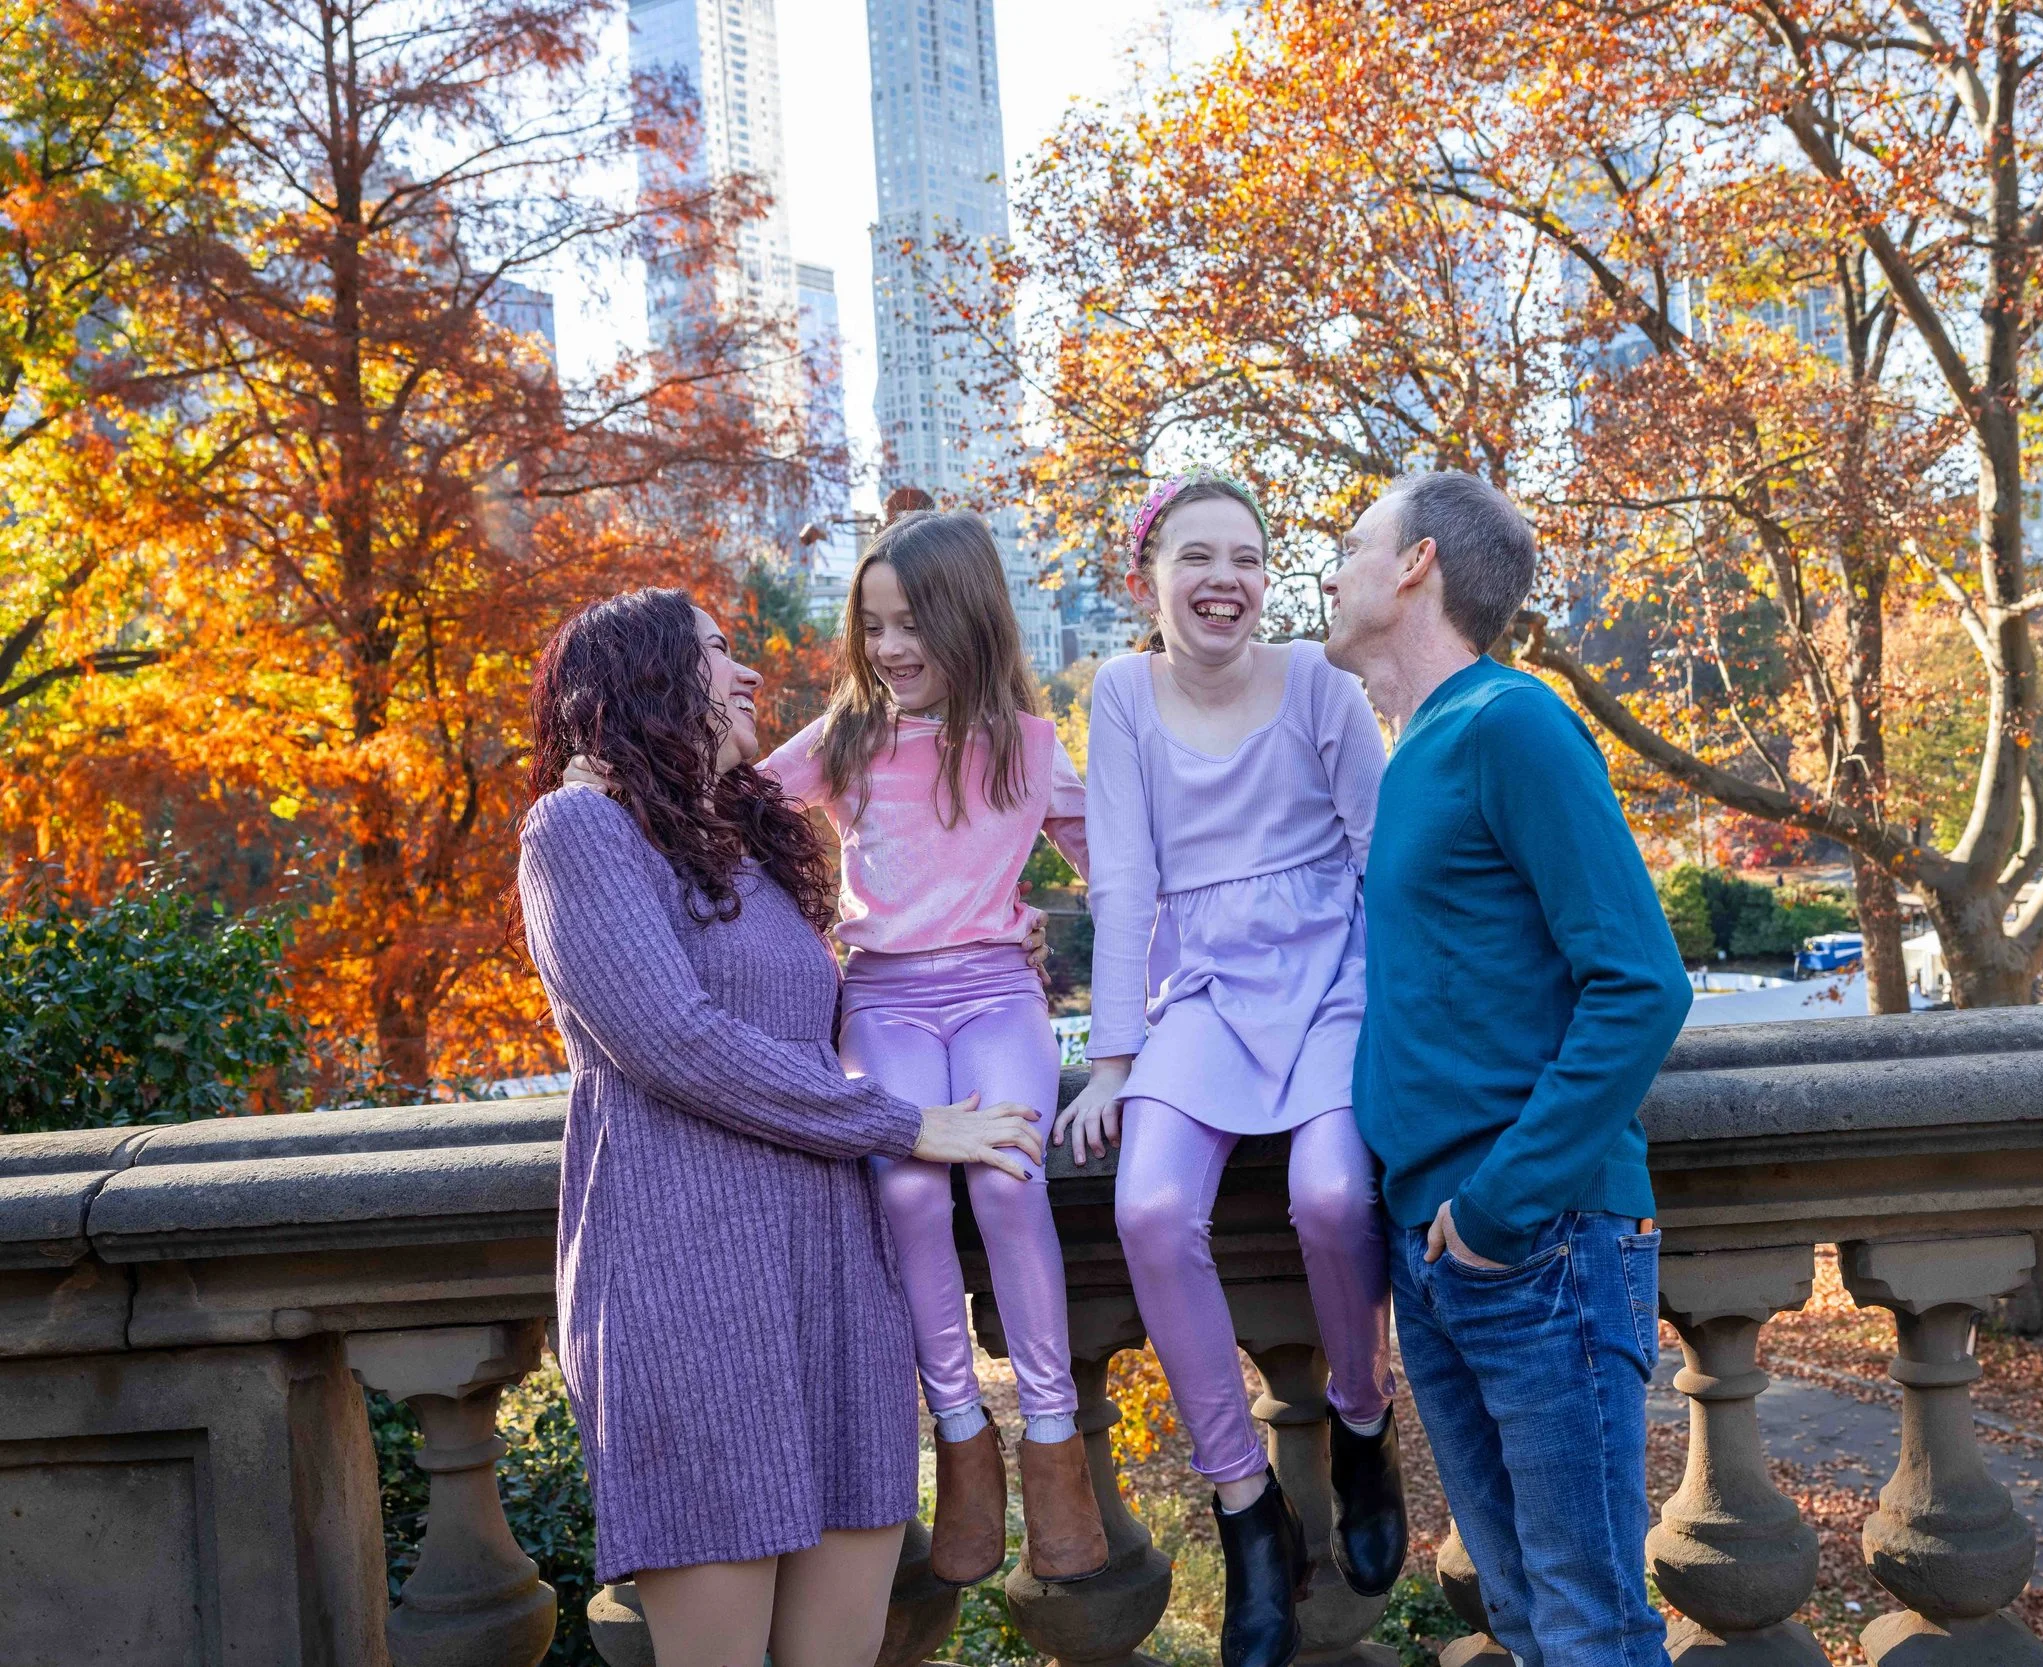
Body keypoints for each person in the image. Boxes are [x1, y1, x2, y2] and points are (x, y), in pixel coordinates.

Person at [513, 588, 1043, 1667]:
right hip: (691, 1290)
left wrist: (986, 956)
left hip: (833, 1284)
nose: (749, 673)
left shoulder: (739, 840)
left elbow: (813, 1020)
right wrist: (907, 1123)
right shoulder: (577, 828)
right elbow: (673, 1038)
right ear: (649, 678)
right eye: (716, 653)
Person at [1322, 474, 1691, 1667]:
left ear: (1417, 564)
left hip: (1537, 1243)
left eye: (1353, 542)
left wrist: (1495, 1208)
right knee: (1532, 1618)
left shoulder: (1510, 721)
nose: (1332, 563)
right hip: (1436, 1250)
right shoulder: (1416, 752)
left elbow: (1640, 982)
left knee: (1590, 1621)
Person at [1053, 473, 1405, 1667]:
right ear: (1148, 578)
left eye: (1247, 557)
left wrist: (1409, 1019)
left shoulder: (1320, 682)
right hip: (1197, 982)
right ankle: (1247, 1504)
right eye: (1197, 556)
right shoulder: (1117, 693)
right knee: (1149, 1205)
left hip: (1330, 979)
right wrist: (1111, 1062)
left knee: (1330, 1195)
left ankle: (1361, 1416)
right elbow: (1123, 885)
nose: (1225, 579)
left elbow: (1382, 856)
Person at [759, 510, 1108, 1587]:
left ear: (966, 618)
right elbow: (742, 814)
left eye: (910, 622)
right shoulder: (846, 739)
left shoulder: (1027, 747)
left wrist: (1156, 1007)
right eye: (871, 625)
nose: (890, 647)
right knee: (904, 1188)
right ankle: (961, 1438)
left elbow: (1127, 874)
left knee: (1008, 1177)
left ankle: (1052, 1445)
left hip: (998, 994)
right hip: (884, 1001)